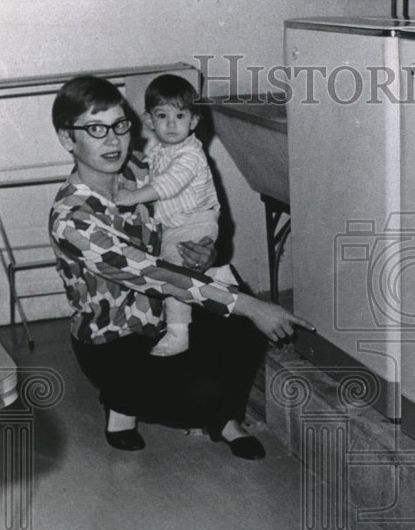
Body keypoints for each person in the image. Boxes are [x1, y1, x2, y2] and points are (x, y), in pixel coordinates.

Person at [48, 74, 313, 458]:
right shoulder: (73, 220)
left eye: (119, 125)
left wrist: (207, 250)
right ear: (67, 138)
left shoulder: (144, 167)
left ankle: (225, 420)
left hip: (170, 309)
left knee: (243, 331)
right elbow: (156, 277)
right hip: (114, 337)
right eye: (95, 128)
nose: (113, 140)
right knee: (200, 386)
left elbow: (196, 210)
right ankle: (122, 404)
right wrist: (255, 306)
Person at [113, 73, 232, 356]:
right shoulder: (156, 152)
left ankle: (179, 333)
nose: (170, 123)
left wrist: (131, 196)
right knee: (174, 271)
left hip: (195, 220)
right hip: (176, 224)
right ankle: (219, 278)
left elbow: (167, 184)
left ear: (193, 121)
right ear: (149, 120)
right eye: (162, 115)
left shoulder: (190, 154)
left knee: (174, 275)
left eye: (179, 116)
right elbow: (148, 176)